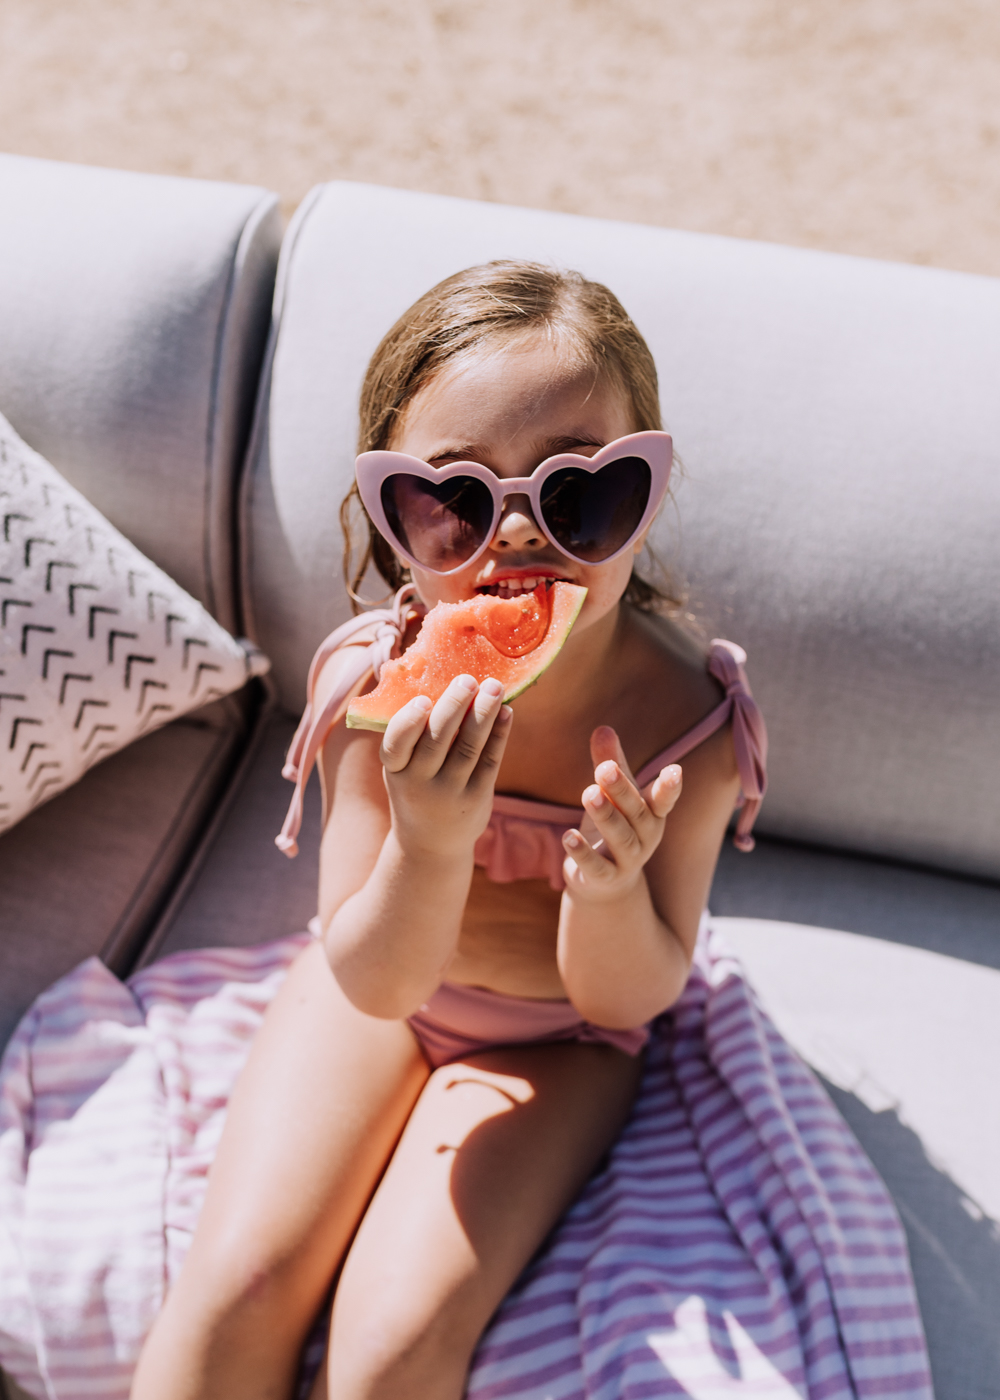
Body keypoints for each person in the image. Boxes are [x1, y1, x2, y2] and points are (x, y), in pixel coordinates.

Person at [130, 261, 766, 1400]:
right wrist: (427, 844)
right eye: (455, 501)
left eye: (580, 496)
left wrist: (611, 890)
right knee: (234, 1290)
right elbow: (371, 975)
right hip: (375, 992)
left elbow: (631, 999)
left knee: (392, 1350)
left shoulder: (695, 728)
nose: (518, 539)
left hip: (560, 1043)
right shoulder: (372, 692)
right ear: (390, 521)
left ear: (651, 491)